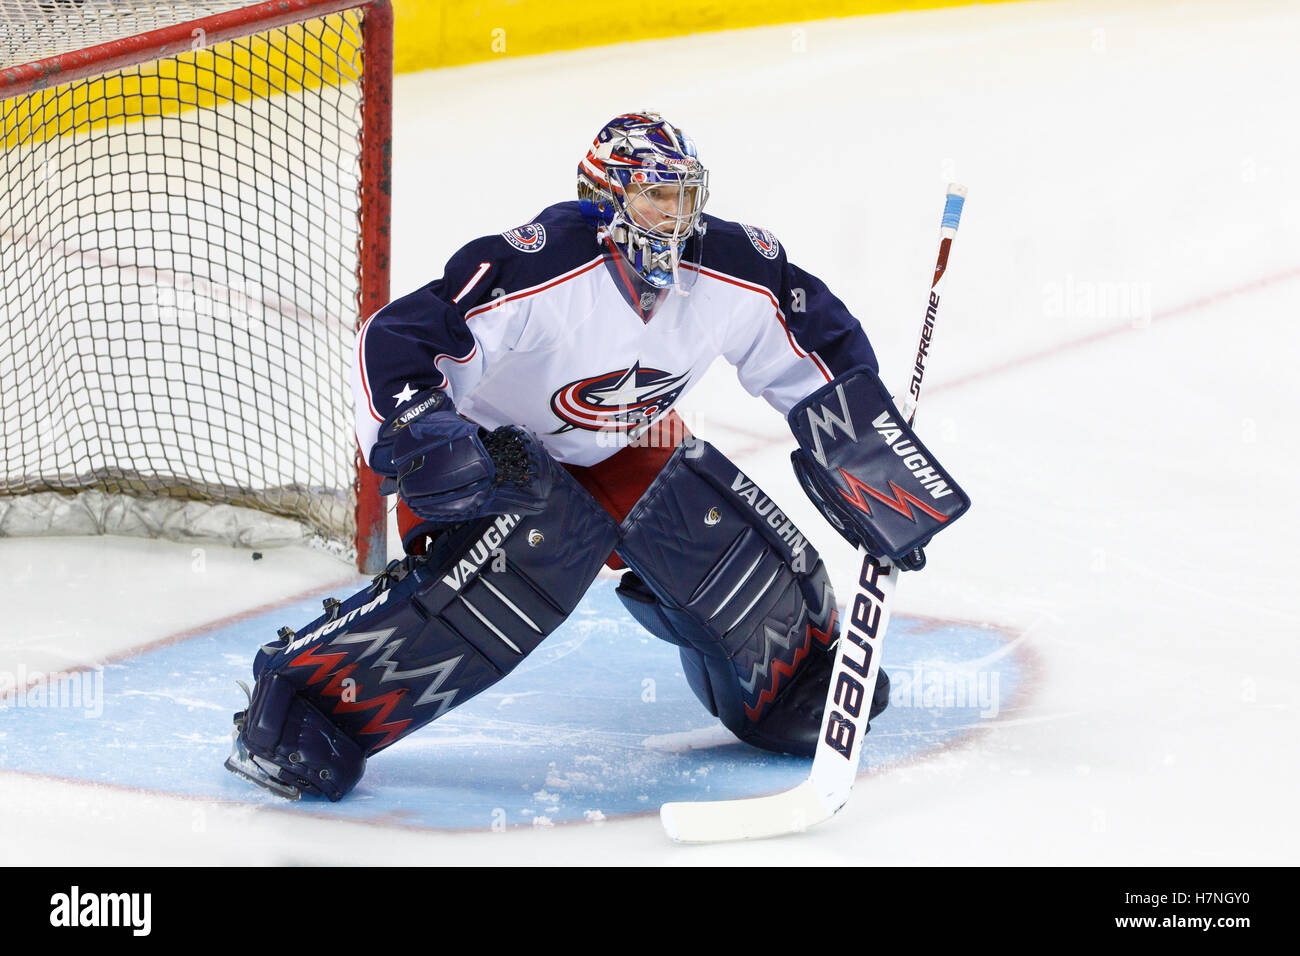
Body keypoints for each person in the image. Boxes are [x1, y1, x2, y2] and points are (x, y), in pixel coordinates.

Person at [224, 112, 967, 801]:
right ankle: (301, 703)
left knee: (717, 533)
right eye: (653, 200)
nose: (674, 221)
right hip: (495, 466)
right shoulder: (538, 267)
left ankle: (790, 687)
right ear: (604, 199)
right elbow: (397, 340)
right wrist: (424, 435)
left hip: (624, 441)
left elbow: (812, 341)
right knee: (532, 555)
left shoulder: (735, 266)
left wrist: (868, 450)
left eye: (684, 199)